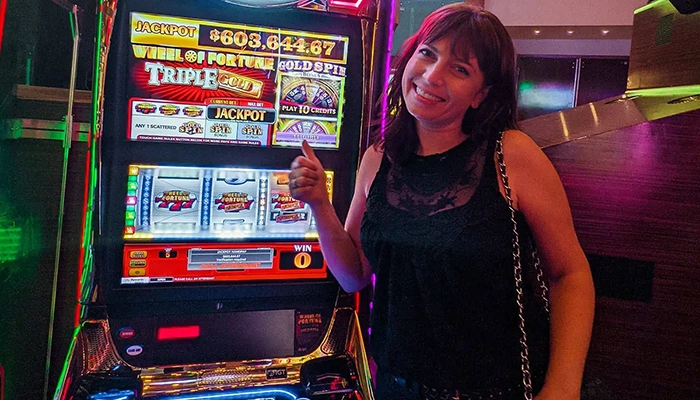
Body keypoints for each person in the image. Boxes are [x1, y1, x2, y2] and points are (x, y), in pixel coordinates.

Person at [288, 3, 595, 399]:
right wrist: (320, 205)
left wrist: (563, 387)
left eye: (460, 69)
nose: (432, 75)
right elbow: (354, 275)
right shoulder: (379, 158)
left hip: (492, 392)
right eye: (428, 53)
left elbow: (570, 275)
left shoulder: (511, 155)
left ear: (480, 95)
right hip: (395, 388)